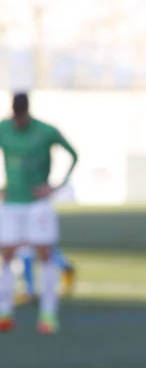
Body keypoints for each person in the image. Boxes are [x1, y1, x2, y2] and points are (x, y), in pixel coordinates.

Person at [0, 92, 78, 333]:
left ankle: (48, 314)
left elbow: (73, 155)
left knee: (44, 254)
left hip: (38, 204)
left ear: (26, 112)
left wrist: (56, 185)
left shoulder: (45, 132)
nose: (19, 121)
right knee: (7, 255)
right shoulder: (4, 128)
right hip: (12, 202)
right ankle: (4, 312)